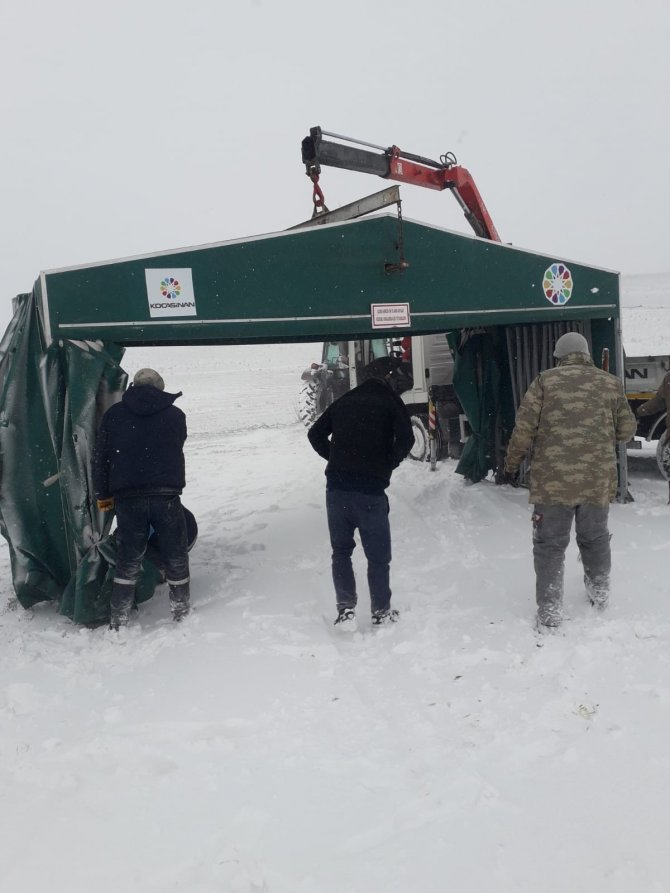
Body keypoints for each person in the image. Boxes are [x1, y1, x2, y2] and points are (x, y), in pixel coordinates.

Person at [503, 332, 636, 630]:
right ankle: (600, 594)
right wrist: (599, 439)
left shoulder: (544, 381)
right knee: (595, 538)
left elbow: (523, 429)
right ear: (586, 353)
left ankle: (550, 612)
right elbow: (627, 429)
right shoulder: (609, 383)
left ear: (559, 355)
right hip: (596, 481)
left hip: (553, 485)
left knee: (549, 545)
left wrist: (510, 464)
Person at [307, 357, 414, 628]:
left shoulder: (346, 400)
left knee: (341, 551)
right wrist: (387, 464)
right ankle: (380, 612)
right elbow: (407, 440)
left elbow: (315, 434)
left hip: (337, 491)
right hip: (370, 492)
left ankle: (346, 610)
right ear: (389, 378)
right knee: (378, 557)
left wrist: (337, 458)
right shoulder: (390, 401)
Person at [92, 368, 190, 629]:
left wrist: (103, 495)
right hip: (165, 495)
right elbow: (178, 443)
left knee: (128, 558)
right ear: (159, 388)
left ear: (134, 386)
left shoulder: (114, 415)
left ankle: (119, 617)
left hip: (128, 497)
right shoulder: (175, 415)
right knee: (176, 553)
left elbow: (101, 459)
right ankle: (180, 609)